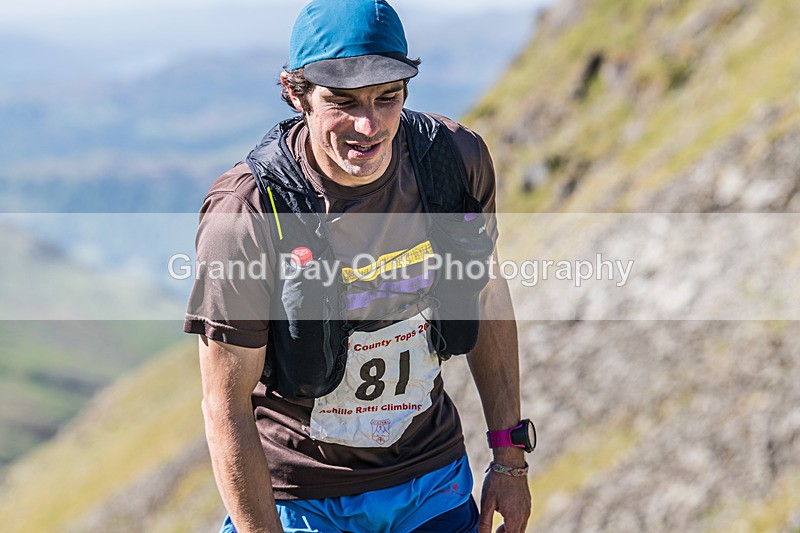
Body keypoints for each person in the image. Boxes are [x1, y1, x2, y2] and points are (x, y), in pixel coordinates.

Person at [184, 1, 533, 531]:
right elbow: (224, 403)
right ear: (296, 93)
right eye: (341, 102)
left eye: (387, 97)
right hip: (303, 502)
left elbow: (485, 294)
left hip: (433, 483)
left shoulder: (454, 163)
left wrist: (509, 458)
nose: (367, 125)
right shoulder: (247, 215)